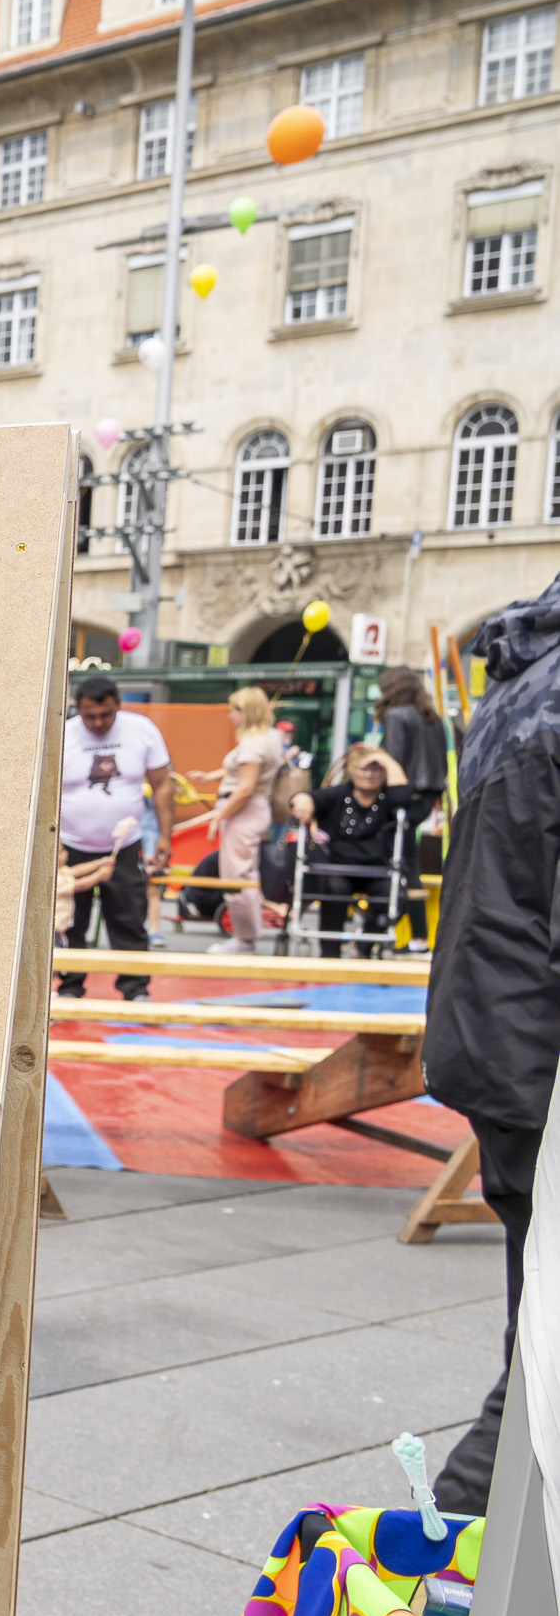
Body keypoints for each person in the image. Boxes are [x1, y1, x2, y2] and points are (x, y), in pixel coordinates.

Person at [425, 571, 560, 1515]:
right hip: (532, 1054)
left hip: (507, 1042)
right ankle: (449, 1598)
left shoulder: (526, 676)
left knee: (539, 1361)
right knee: (540, 1377)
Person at [56, 675, 175, 1000]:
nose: (97, 722)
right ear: (76, 709)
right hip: (69, 847)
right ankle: (69, 989)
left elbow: (163, 785)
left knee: (129, 918)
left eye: (105, 715)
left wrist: (165, 835)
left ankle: (136, 991)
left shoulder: (141, 729)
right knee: (68, 922)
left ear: (118, 707)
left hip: (126, 844)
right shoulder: (62, 733)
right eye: (89, 715)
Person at [291, 743, 425, 954]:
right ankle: (330, 953)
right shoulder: (339, 794)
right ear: (351, 771)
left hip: (377, 869)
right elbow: (307, 797)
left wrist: (385, 759)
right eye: (364, 769)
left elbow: (403, 797)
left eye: (376, 769)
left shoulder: (388, 799)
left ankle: (364, 946)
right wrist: (303, 802)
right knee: (334, 888)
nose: (369, 775)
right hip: (338, 867)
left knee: (394, 892)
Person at [177, 684, 283, 953]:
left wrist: (218, 817)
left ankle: (245, 939)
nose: (229, 715)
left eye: (233, 710)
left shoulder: (253, 743)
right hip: (250, 810)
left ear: (245, 712)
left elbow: (245, 788)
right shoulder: (269, 737)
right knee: (243, 874)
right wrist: (211, 777)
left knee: (237, 877)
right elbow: (243, 773)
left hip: (242, 813)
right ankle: (245, 936)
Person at [374, 666, 449, 943]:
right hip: (426, 796)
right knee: (408, 860)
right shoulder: (432, 717)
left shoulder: (396, 715)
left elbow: (393, 759)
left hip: (402, 795)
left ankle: (393, 928)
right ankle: (416, 934)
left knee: (399, 861)